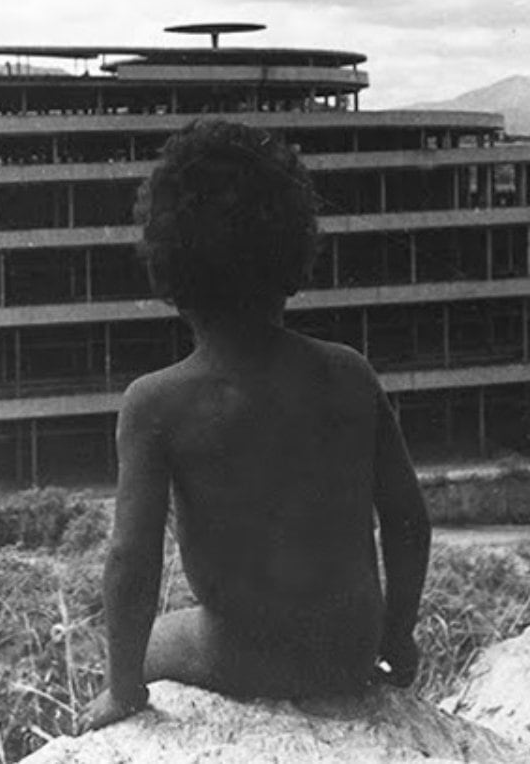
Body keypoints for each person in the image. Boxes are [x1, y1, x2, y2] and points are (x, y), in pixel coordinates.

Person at [80, 120, 432, 732]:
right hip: (350, 651)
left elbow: (130, 560)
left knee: (163, 636)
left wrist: (124, 688)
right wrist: (397, 637)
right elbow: (408, 520)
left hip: (243, 654)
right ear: (294, 254)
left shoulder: (156, 403)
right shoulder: (349, 373)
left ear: (169, 270)